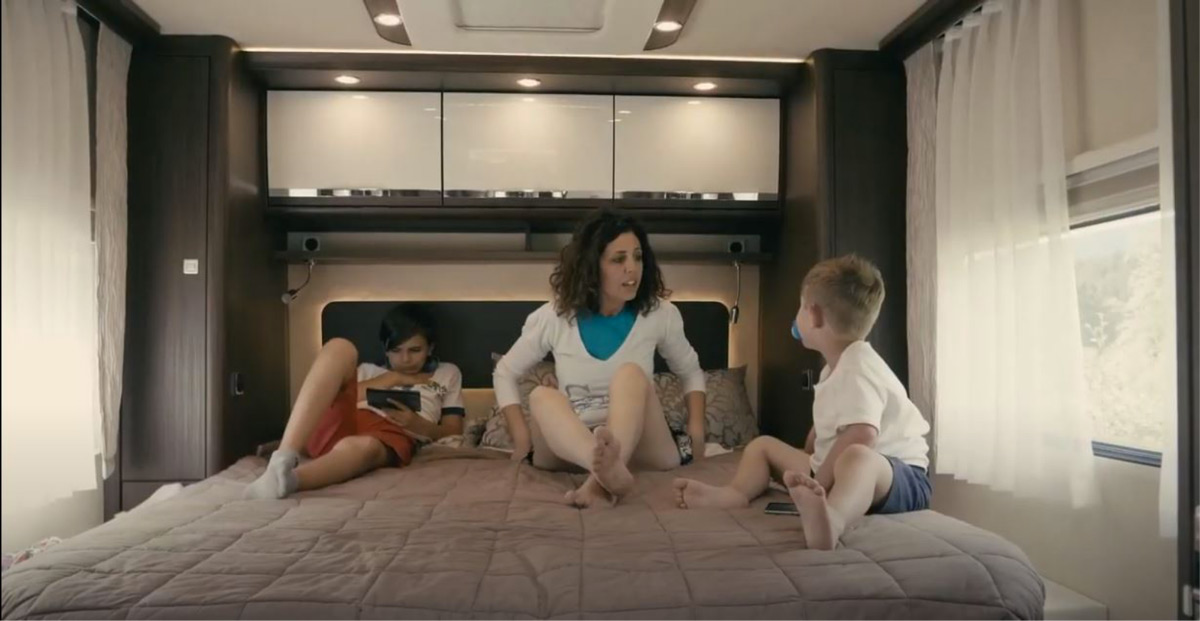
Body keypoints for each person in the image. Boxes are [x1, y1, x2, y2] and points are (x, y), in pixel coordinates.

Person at [673, 255, 930, 550]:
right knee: (762, 445)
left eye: (800, 306)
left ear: (814, 315)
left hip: (899, 477)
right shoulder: (833, 368)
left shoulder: (859, 366)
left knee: (857, 456)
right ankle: (736, 493)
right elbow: (831, 425)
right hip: (841, 472)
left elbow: (862, 434)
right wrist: (810, 452)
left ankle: (833, 520)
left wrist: (820, 481)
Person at [494, 209, 706, 507]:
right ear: (592, 266)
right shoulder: (554, 317)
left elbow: (691, 371)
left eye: (638, 257)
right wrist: (521, 439)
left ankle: (600, 480)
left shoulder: (660, 315)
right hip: (572, 447)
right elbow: (504, 372)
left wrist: (696, 429)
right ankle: (606, 469)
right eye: (618, 260)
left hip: (642, 447)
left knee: (631, 374)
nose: (632, 268)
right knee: (541, 395)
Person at [244, 303, 464, 499]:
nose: (405, 359)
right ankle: (283, 456)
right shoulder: (368, 370)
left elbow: (454, 430)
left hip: (392, 433)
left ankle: (286, 480)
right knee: (341, 347)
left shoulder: (447, 373)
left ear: (430, 348)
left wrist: (419, 425)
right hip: (345, 420)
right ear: (386, 350)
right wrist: (392, 379)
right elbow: (338, 398)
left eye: (415, 350)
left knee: (364, 446)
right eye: (396, 350)